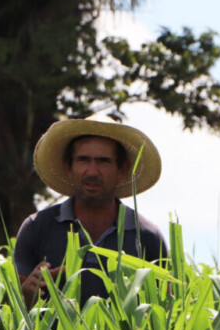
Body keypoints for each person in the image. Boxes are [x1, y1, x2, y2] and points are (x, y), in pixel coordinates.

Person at [14, 118, 167, 307]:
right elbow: (12, 309)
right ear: (68, 167)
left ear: (123, 169)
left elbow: (164, 311)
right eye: (83, 160)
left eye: (103, 161)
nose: (92, 171)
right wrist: (29, 293)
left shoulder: (146, 236)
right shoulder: (37, 228)